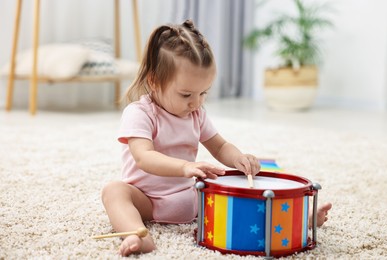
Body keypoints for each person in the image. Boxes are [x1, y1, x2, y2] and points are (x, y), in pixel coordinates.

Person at [101, 20, 331, 256]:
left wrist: (239, 159)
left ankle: (301, 219)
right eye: (186, 94)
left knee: (241, 190)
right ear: (153, 81)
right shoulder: (139, 113)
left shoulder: (196, 113)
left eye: (203, 93)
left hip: (193, 199)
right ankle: (136, 233)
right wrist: (185, 166)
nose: (197, 102)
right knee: (114, 191)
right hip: (147, 201)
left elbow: (219, 146)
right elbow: (143, 157)